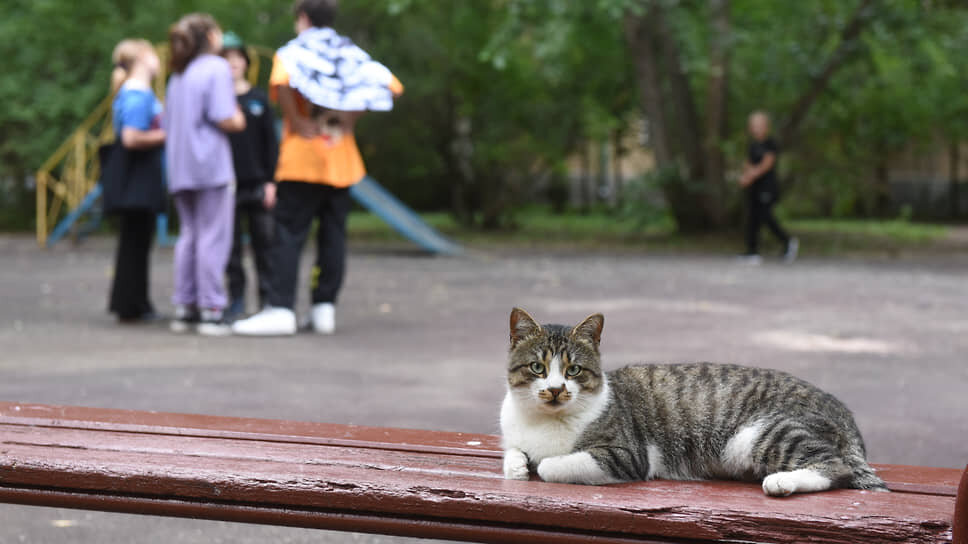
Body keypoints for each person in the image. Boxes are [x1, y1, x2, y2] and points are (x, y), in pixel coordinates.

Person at [233, 0, 402, 336]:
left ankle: (281, 308)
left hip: (302, 159)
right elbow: (391, 86)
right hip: (341, 159)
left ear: (303, 17)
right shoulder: (348, 52)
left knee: (287, 234)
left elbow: (282, 82)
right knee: (333, 236)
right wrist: (348, 118)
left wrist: (296, 120)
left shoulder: (294, 51)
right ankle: (324, 308)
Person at [164, 13, 246, 335]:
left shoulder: (178, 75)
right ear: (211, 37)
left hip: (180, 166)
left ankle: (186, 306)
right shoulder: (216, 68)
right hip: (210, 166)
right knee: (213, 237)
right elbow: (224, 116)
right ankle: (212, 308)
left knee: (190, 235)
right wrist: (239, 119)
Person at [105, 39, 166, 323]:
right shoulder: (137, 93)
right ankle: (132, 304)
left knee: (134, 241)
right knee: (136, 242)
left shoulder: (132, 91)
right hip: (138, 178)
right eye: (153, 54)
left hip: (135, 178)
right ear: (142, 57)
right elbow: (131, 137)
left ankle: (134, 302)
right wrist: (168, 134)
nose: (158, 59)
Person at [220, 31, 279, 321]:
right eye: (226, 59)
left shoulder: (259, 99)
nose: (232, 63)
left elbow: (271, 144)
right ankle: (236, 299)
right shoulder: (217, 102)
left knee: (264, 245)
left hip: (257, 184)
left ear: (245, 62)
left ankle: (268, 299)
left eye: (237, 58)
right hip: (225, 184)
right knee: (230, 249)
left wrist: (271, 182)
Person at [739, 111, 798, 265]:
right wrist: (745, 175)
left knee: (766, 217)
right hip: (755, 187)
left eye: (759, 125)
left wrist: (750, 176)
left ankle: (788, 241)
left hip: (767, 187)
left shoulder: (770, 143)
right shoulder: (752, 145)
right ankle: (752, 252)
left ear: (766, 127)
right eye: (753, 125)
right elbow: (748, 163)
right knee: (752, 218)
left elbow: (767, 164)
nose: (756, 128)